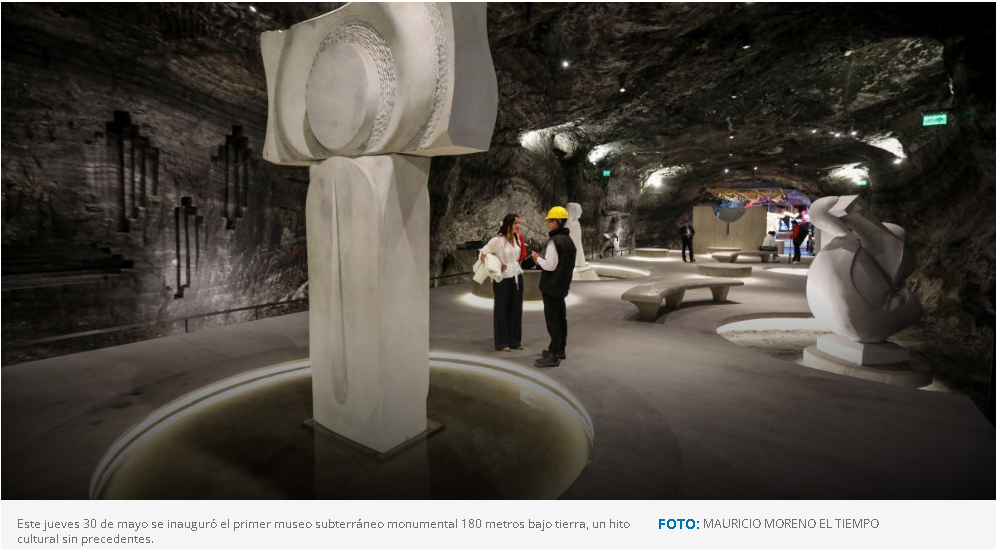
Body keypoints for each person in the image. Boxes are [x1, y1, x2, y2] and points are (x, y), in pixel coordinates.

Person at [530, 206, 577, 367]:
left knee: (553, 321)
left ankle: (553, 354)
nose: (548, 224)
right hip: (562, 287)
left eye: (549, 221)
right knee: (560, 318)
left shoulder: (554, 241)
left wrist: (537, 259)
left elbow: (549, 266)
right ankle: (560, 349)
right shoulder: (569, 241)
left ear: (556, 222)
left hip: (551, 287)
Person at [480, 214, 525, 352]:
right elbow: (483, 254)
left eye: (519, 223)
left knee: (516, 310)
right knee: (502, 310)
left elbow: (518, 255)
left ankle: (515, 341)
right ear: (508, 224)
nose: (518, 225)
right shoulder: (497, 240)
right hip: (502, 279)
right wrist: (497, 263)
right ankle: (502, 342)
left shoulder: (517, 238)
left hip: (517, 276)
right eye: (516, 223)